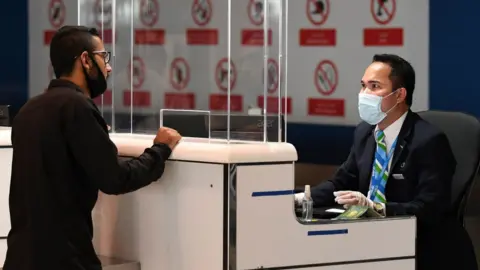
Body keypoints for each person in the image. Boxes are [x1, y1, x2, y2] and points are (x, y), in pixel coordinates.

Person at [3, 26, 182, 270]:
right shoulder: (78, 107)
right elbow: (116, 178)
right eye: (104, 57)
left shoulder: (29, 110)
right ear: (86, 60)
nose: (108, 67)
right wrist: (160, 149)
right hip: (65, 260)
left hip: (18, 259)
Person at [295, 54, 477, 270]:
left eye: (374, 86)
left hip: (422, 246)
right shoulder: (365, 132)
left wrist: (375, 207)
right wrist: (299, 199)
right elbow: (341, 182)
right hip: (371, 239)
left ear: (399, 95)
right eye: (363, 86)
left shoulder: (428, 140)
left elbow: (429, 208)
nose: (364, 94)